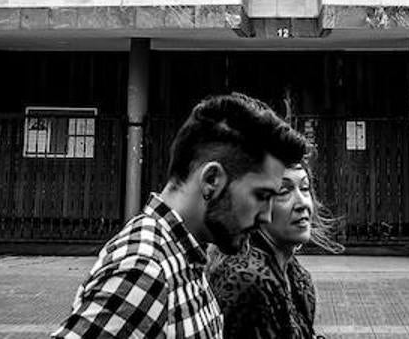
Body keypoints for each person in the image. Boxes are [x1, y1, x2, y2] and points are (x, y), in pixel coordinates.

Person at [54, 93, 310, 339]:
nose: (266, 216)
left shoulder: (185, 256)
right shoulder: (144, 269)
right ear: (212, 180)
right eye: (261, 196)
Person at [209, 162, 342, 339]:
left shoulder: (292, 270)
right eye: (283, 192)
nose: (302, 203)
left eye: (304, 188)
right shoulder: (248, 281)